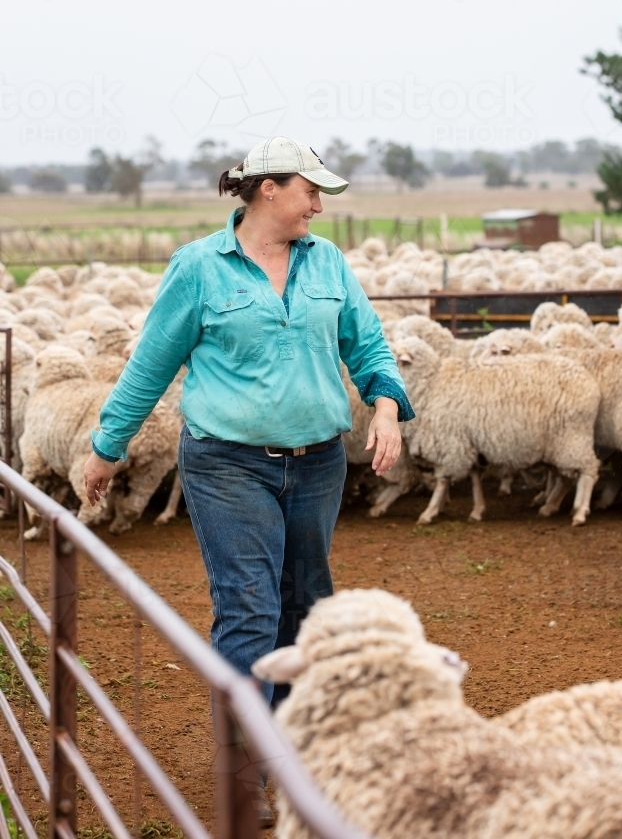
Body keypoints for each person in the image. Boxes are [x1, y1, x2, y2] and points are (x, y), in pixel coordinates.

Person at [83, 135, 414, 705]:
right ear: (268, 189)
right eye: (310, 192)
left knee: (306, 603)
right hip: (227, 465)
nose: (317, 206)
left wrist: (386, 407)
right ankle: (246, 763)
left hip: (318, 463)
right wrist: (108, 446)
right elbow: (150, 365)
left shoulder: (327, 262)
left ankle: (289, 742)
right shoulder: (199, 268)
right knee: (249, 608)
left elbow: (370, 348)